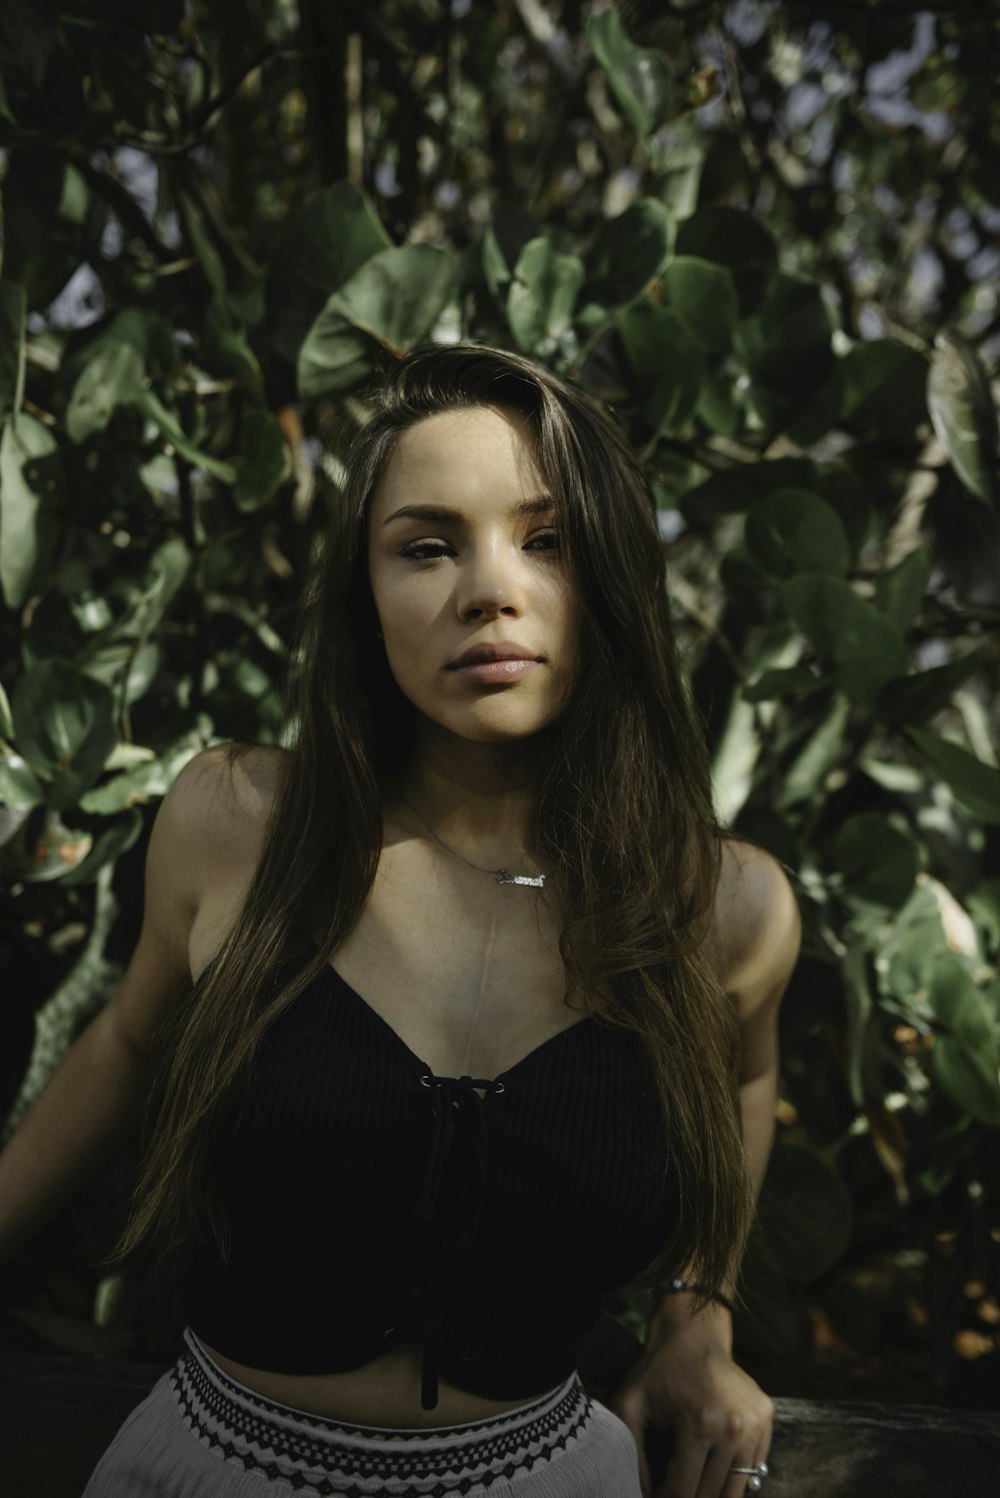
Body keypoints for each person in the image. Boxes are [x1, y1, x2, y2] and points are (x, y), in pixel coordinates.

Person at [0, 343, 800, 1498]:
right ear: (366, 596)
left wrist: (697, 1317)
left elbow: (740, 1083)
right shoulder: (238, 825)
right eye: (426, 546)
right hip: (203, 1468)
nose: (489, 587)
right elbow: (123, 1044)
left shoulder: (720, 905)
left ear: (616, 577)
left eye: (549, 540)